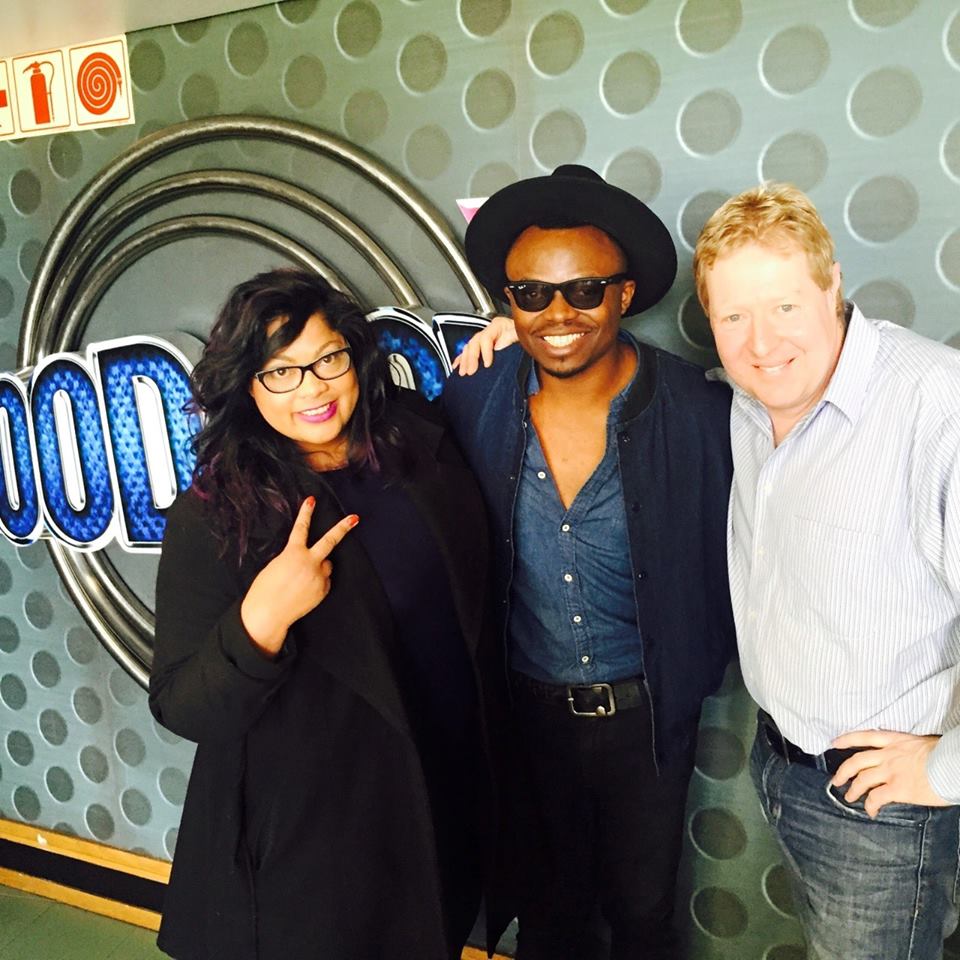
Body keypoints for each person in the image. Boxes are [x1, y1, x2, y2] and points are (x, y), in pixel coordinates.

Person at [149, 268, 497, 960]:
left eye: (327, 359)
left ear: (355, 357)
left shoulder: (415, 438)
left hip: (441, 784)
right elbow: (182, 703)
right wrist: (261, 621)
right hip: (321, 838)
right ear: (247, 386)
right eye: (281, 372)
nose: (312, 388)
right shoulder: (217, 514)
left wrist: (518, 336)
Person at [442, 165, 736, 960]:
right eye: (531, 295)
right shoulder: (472, 401)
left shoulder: (701, 412)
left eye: (583, 291)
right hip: (525, 719)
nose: (558, 314)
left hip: (649, 721)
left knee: (643, 919)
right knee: (548, 922)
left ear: (624, 293)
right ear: (509, 303)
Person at [693, 183, 960, 960]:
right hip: (777, 761)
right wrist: (522, 330)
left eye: (784, 305)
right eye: (733, 317)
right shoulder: (743, 400)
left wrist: (948, 770)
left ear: (832, 284)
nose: (761, 342)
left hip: (885, 809)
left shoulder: (936, 405)